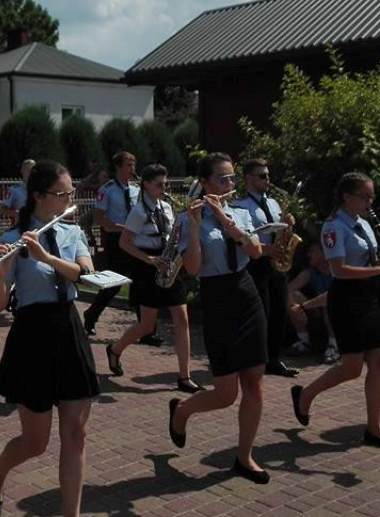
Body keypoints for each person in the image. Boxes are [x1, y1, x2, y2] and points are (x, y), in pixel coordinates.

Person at [0, 160, 105, 517]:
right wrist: (2, 272)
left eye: (71, 193)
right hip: (32, 336)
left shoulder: (72, 232)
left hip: (68, 330)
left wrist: (47, 257)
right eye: (63, 193)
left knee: (77, 434)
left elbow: (86, 277)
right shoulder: (12, 237)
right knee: (35, 442)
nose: (70, 200)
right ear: (38, 196)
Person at [167, 153, 271, 484]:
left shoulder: (239, 211)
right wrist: (197, 228)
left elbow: (254, 251)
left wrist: (226, 221)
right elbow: (194, 269)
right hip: (216, 297)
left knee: (255, 381)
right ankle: (182, 410)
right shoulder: (188, 219)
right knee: (226, 393)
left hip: (245, 291)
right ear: (206, 183)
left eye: (232, 179)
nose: (230, 185)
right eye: (223, 179)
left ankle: (244, 457)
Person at [291, 172, 380, 451]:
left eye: (372, 197)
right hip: (346, 299)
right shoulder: (333, 228)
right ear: (347, 197)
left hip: (368, 296)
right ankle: (306, 394)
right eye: (364, 197)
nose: (370, 202)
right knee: (352, 368)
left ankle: (374, 428)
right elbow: (339, 270)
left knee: (379, 362)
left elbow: (369, 262)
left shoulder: (365, 225)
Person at [105, 164, 202, 393]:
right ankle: (115, 349)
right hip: (147, 268)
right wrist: (148, 259)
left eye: (165, 184)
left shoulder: (167, 207)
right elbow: (124, 242)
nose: (163, 188)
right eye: (159, 184)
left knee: (182, 318)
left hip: (168, 263)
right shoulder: (138, 212)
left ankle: (184, 376)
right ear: (146, 185)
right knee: (147, 325)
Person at [235, 159, 298, 377]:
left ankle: (274, 359)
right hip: (257, 262)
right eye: (262, 176)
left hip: (276, 262)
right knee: (263, 312)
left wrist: (288, 224)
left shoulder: (273, 203)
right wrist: (267, 249)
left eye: (268, 175)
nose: (267, 179)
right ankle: (257, 359)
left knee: (279, 311)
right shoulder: (241, 206)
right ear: (249, 179)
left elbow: (280, 230)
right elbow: (244, 240)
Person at [82, 152, 141, 338]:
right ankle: (91, 315)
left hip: (136, 240)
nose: (132, 169)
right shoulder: (107, 190)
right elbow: (99, 219)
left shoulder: (136, 190)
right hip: (116, 241)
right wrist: (123, 228)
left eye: (133, 165)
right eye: (128, 165)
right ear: (118, 167)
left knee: (139, 282)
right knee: (115, 283)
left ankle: (146, 328)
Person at [286, 242, 338, 364]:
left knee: (330, 303)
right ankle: (304, 341)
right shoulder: (311, 272)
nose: (309, 255)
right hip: (317, 306)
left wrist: (305, 306)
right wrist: (297, 309)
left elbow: (330, 296)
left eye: (313, 251)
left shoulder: (336, 270)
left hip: (341, 309)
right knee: (291, 295)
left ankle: (334, 346)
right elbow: (289, 287)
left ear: (325, 253)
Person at [2, 159, 35, 226]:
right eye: (27, 170)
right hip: (21, 226)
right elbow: (2, 210)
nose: (30, 173)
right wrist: (17, 213)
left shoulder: (41, 189)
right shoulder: (14, 190)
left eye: (32, 170)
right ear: (22, 171)